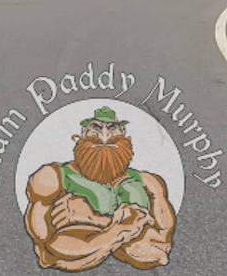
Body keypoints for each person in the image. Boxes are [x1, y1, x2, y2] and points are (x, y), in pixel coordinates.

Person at [24, 106, 176, 271]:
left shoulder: (149, 182)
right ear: (84, 132)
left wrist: (94, 220)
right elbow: (49, 251)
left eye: (112, 128)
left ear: (123, 132)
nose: (104, 136)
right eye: (96, 127)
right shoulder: (52, 177)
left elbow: (160, 248)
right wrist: (129, 228)